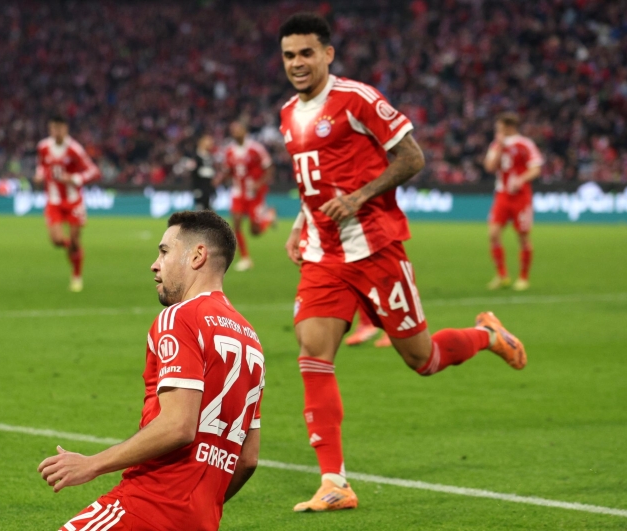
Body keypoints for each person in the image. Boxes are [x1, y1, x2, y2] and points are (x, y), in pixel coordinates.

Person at [276, 13, 528, 513]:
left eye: (306, 53)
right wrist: (299, 224)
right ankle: (334, 482)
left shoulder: (358, 99)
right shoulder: (287, 114)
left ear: (327, 54)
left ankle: (487, 336)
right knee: (312, 352)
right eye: (289, 55)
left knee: (423, 359)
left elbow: (412, 157)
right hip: (324, 255)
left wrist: (360, 196)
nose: (297, 63)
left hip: (376, 247)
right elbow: (312, 182)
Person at [39, 210, 265, 531]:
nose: (155, 264)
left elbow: (178, 425)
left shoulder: (180, 317)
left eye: (164, 251)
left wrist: (92, 464)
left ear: (197, 256)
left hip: (146, 504)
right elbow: (248, 459)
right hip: (202, 519)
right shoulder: (250, 338)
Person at [34, 115, 101, 292]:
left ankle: (76, 276)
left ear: (65, 129)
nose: (56, 132)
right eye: (53, 128)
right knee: (56, 240)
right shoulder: (43, 147)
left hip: (73, 202)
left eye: (59, 128)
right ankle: (74, 250)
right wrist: (39, 175)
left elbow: (94, 171)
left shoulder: (74, 149)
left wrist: (73, 178)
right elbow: (41, 165)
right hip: (54, 201)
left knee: (74, 240)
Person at [483, 112, 544, 291]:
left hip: (521, 196)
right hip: (502, 195)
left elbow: (536, 168)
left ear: (509, 127)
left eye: (500, 128)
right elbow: (489, 167)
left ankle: (523, 277)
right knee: (493, 234)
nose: (497, 131)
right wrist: (500, 147)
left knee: (523, 236)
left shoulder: (525, 144)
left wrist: (521, 179)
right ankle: (502, 275)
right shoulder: (496, 145)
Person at [218, 121, 277, 271]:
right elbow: (228, 170)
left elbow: (269, 168)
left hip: (254, 193)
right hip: (238, 192)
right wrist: (220, 178)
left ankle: (268, 217)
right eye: (232, 130)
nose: (235, 132)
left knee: (255, 231)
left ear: (245, 131)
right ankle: (245, 258)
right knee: (236, 224)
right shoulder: (229, 151)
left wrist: (260, 183)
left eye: (237, 130)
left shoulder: (256, 149)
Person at [189, 134, 218, 211]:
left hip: (209, 188)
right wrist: (196, 188)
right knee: (201, 209)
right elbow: (193, 173)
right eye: (208, 141)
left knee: (209, 210)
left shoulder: (210, 157)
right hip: (200, 187)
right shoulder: (196, 156)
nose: (211, 144)